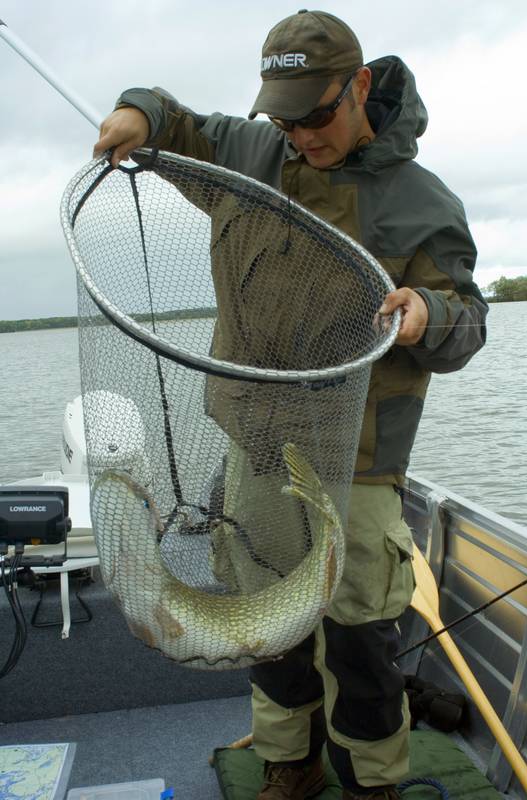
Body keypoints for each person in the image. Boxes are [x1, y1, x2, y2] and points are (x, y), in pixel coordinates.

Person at [94, 10, 488, 800]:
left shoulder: (421, 201)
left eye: (316, 115)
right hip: (254, 447)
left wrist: (428, 314)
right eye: (284, 117)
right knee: (264, 629)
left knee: (359, 645)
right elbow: (176, 123)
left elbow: (466, 319)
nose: (301, 136)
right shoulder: (248, 153)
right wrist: (138, 110)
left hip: (359, 463)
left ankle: (371, 784)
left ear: (360, 85)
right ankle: (288, 767)